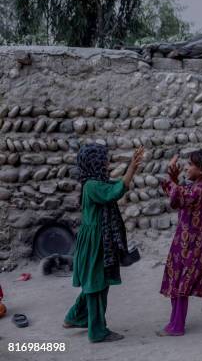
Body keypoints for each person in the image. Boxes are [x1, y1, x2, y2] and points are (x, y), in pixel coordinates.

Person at [63, 144, 144, 342]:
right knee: (97, 284)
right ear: (95, 163)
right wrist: (131, 168)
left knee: (94, 281)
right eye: (103, 160)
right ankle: (97, 331)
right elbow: (114, 192)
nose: (107, 163)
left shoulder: (94, 183)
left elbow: (113, 187)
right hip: (96, 242)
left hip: (97, 239)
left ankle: (75, 317)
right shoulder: (92, 186)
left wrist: (129, 170)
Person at [157, 149, 202, 336]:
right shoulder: (198, 186)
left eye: (191, 164)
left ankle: (176, 326)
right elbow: (178, 199)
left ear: (201, 170)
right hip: (190, 241)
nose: (187, 167)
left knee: (181, 283)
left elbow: (179, 198)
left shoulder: (199, 189)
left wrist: (171, 179)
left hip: (191, 244)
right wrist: (174, 180)